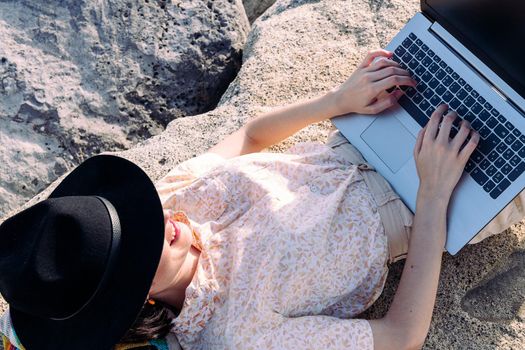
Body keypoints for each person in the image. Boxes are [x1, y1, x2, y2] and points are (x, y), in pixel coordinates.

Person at [1, 49, 524, 350]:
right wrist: (433, 195)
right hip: (423, 206)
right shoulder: (242, 337)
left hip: (360, 138)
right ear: (137, 301)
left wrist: (338, 100)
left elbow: (250, 136)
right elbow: (401, 335)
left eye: (139, 218)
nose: (160, 219)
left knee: (472, 41)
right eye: (141, 248)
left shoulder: (170, 205)